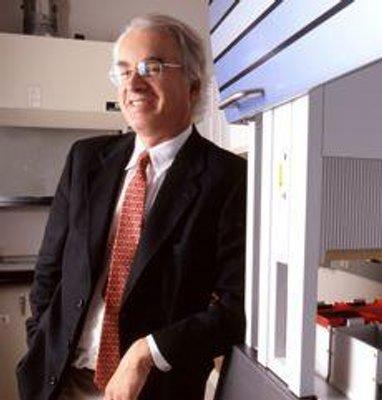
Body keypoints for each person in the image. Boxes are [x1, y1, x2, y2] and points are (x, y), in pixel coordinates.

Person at [16, 14, 246, 400]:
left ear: (193, 85)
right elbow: (49, 270)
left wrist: (146, 353)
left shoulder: (227, 178)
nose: (133, 84)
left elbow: (235, 310)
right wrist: (40, 339)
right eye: (123, 72)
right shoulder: (85, 160)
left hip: (154, 389)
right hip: (61, 382)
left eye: (151, 67)